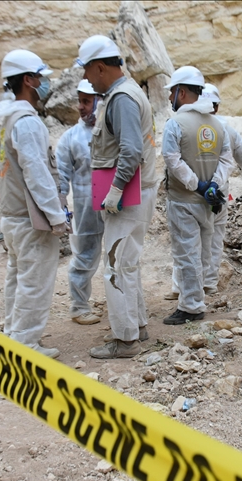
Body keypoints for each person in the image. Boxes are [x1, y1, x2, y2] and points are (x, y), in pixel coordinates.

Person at [76, 35, 157, 359]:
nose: (85, 78)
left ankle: (125, 341)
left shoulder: (121, 97)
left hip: (128, 197)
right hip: (138, 192)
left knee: (114, 266)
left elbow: (130, 151)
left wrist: (115, 191)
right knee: (128, 263)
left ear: (98, 67)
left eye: (86, 71)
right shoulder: (127, 92)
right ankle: (137, 326)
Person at [0, 49, 67, 359]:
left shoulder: (9, 119)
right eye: (40, 77)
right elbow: (37, 174)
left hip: (12, 216)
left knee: (17, 278)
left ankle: (13, 334)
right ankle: (25, 345)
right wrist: (56, 216)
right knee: (34, 282)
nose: (44, 83)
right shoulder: (28, 123)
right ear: (28, 80)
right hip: (29, 219)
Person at [166, 83, 242, 300]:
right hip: (216, 193)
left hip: (188, 191)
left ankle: (178, 286)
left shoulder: (182, 124)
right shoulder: (224, 127)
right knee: (213, 239)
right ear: (215, 106)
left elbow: (173, 159)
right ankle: (208, 284)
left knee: (184, 241)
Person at [161, 67, 235, 326]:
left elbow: (172, 159)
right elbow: (227, 160)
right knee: (203, 252)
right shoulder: (217, 124)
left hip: (184, 201)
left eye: (172, 92)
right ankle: (197, 296)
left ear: (181, 92)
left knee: (186, 254)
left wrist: (197, 185)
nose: (171, 98)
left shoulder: (175, 124)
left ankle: (191, 306)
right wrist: (213, 185)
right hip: (208, 201)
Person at [56, 80, 105, 326]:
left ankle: (120, 302)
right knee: (85, 254)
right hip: (86, 206)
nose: (80, 107)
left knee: (120, 254)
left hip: (114, 202)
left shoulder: (111, 130)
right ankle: (78, 305)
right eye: (80, 101)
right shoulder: (71, 138)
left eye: (87, 101)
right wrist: (62, 210)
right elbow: (61, 177)